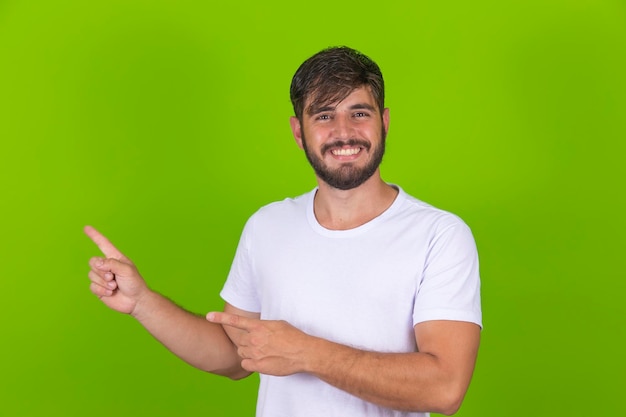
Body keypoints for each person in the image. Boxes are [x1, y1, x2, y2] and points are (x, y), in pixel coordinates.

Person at [85, 46, 482, 417]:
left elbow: (444, 387)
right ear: (298, 132)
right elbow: (233, 352)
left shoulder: (440, 235)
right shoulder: (267, 226)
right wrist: (142, 303)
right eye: (324, 116)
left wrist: (306, 353)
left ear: (385, 121)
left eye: (359, 113)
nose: (343, 131)